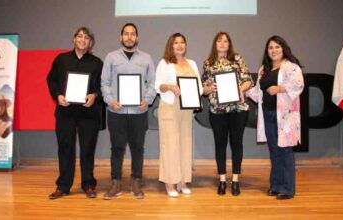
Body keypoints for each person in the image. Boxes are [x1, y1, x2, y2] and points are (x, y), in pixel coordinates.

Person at [46, 27, 103, 200]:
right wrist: (58, 95)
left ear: (90, 42)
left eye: (86, 38)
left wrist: (95, 95)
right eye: (80, 36)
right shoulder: (61, 60)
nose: (83, 40)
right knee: (65, 149)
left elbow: (103, 85)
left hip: (88, 113)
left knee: (87, 149)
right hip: (65, 112)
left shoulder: (97, 63)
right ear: (74, 39)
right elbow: (51, 79)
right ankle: (63, 186)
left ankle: (88, 184)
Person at [101, 23, 156, 200]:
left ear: (137, 38)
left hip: (138, 112)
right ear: (121, 37)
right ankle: (116, 182)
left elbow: (152, 84)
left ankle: (136, 181)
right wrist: (110, 100)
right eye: (126, 34)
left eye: (133, 34)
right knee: (117, 148)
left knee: (137, 148)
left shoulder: (146, 58)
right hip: (116, 111)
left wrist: (146, 101)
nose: (129, 37)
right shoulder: (111, 57)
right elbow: (105, 83)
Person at [246, 35, 304, 200]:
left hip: (285, 116)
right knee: (274, 151)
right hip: (268, 115)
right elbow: (258, 93)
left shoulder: (291, 67)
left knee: (285, 150)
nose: (274, 50)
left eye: (277, 47)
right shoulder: (264, 69)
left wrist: (279, 88)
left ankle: (287, 188)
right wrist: (243, 91)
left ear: (283, 48)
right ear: (267, 51)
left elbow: (298, 84)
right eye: (270, 48)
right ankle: (275, 185)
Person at [202, 32, 253, 196]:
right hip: (218, 111)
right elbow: (205, 87)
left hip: (238, 109)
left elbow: (249, 80)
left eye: (226, 41)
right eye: (219, 40)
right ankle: (222, 180)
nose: (223, 43)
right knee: (220, 145)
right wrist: (209, 88)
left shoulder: (237, 59)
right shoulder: (208, 63)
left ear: (229, 44)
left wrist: (239, 89)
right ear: (215, 43)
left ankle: (236, 180)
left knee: (237, 143)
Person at [155, 33, 203, 198]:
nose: (180, 45)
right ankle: (170, 183)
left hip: (186, 108)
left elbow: (200, 88)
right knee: (170, 145)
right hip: (169, 106)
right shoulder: (164, 63)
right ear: (171, 45)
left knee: (185, 144)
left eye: (183, 42)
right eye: (176, 43)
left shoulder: (192, 64)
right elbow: (157, 86)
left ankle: (183, 181)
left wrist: (200, 91)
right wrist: (169, 86)